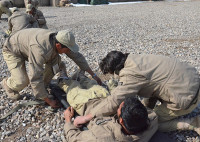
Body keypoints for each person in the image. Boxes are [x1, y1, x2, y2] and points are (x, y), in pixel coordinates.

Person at [73, 51, 200, 135]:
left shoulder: (130, 75)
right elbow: (152, 87)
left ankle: (191, 123)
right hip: (193, 81)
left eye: (114, 74)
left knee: (148, 125)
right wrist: (147, 108)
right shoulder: (136, 58)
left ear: (116, 69)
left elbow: (114, 101)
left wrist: (87, 117)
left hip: (187, 98)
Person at [1, 28, 101, 108]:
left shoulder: (59, 40)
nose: (68, 52)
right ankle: (7, 84)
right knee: (22, 81)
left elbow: (77, 57)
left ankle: (43, 87)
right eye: (66, 50)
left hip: (27, 46)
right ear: (58, 46)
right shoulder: (40, 50)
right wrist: (48, 101)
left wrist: (94, 75)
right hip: (12, 49)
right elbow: (35, 76)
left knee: (56, 62)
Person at [64, 96, 158, 142]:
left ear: (121, 120)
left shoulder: (103, 137)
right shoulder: (153, 119)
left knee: (72, 94)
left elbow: (73, 138)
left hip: (86, 105)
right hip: (100, 103)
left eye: (119, 108)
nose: (117, 108)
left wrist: (68, 120)